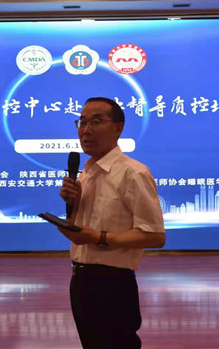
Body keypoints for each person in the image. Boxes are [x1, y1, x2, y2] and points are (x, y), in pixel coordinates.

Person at [59, 97, 166, 349]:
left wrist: (99, 237)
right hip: (80, 281)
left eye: (96, 122)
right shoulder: (85, 174)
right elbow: (78, 233)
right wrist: (71, 209)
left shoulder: (133, 173)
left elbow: (155, 236)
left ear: (118, 128)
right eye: (82, 122)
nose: (86, 130)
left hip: (113, 285)